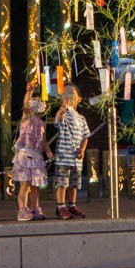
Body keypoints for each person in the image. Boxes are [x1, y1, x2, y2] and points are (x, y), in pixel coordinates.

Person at [12, 84, 53, 221]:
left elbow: (44, 140)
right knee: (25, 184)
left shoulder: (42, 123)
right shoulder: (27, 117)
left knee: (36, 185)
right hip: (24, 154)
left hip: (36, 156)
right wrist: (29, 92)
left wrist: (47, 151)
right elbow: (25, 106)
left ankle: (35, 207)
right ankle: (22, 209)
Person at [53, 83, 90, 220]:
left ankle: (72, 205)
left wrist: (82, 149)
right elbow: (57, 121)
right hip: (64, 157)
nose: (69, 99)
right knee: (62, 182)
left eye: (72, 96)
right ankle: (60, 206)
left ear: (78, 99)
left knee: (74, 183)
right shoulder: (64, 115)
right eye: (66, 95)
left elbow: (86, 136)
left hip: (76, 158)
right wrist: (61, 111)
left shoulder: (81, 119)